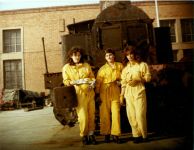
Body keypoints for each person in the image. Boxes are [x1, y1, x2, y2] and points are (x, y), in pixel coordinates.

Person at [62, 46, 96, 145]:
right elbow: (66, 81)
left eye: (79, 55)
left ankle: (91, 134)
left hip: (90, 93)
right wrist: (78, 81)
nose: (77, 57)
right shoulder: (66, 67)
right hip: (78, 95)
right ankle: (84, 135)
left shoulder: (86, 65)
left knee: (91, 115)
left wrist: (93, 83)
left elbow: (92, 77)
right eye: (75, 55)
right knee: (83, 117)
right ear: (71, 56)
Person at [120, 45, 151, 143]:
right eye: (128, 55)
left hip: (139, 91)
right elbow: (123, 83)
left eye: (131, 54)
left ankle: (144, 135)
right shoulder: (125, 69)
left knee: (140, 114)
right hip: (128, 93)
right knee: (131, 115)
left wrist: (138, 79)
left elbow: (148, 78)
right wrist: (121, 96)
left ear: (135, 54)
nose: (130, 56)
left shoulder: (142, 65)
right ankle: (136, 135)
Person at [95, 48, 123, 144]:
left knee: (116, 113)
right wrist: (97, 94)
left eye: (110, 55)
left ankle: (115, 134)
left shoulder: (119, 66)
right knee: (104, 114)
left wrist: (120, 82)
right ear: (105, 58)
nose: (109, 57)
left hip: (115, 90)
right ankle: (106, 134)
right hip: (104, 91)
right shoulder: (102, 69)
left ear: (114, 56)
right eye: (107, 56)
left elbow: (124, 78)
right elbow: (98, 83)